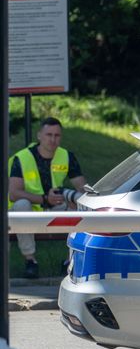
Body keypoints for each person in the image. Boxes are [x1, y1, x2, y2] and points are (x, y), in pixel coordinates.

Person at [8, 117, 87, 279]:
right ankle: (31, 261)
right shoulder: (21, 158)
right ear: (39, 136)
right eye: (48, 134)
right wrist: (44, 199)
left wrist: (77, 197)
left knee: (79, 206)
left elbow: (81, 186)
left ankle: (69, 262)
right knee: (21, 205)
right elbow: (14, 193)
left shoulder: (66, 156)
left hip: (54, 205)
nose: (52, 139)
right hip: (30, 207)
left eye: (57, 135)